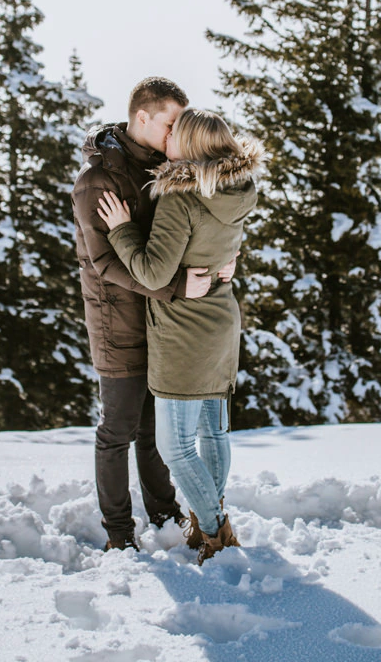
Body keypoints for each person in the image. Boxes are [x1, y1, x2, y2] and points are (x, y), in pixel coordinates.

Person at [72, 77, 234, 552]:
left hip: (166, 323)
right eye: (169, 122)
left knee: (154, 431)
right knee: (118, 429)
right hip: (118, 320)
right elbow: (103, 263)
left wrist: (226, 256)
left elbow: (196, 227)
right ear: (141, 117)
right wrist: (177, 286)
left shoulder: (168, 166)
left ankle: (165, 516)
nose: (175, 133)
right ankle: (120, 535)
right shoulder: (97, 182)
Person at [97, 108, 263, 563]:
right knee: (213, 433)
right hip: (222, 322)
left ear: (187, 147)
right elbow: (219, 248)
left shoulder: (181, 197)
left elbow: (153, 272)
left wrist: (121, 230)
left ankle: (213, 529)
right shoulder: (238, 189)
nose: (166, 138)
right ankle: (214, 518)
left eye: (175, 133)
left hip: (184, 331)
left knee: (174, 446)